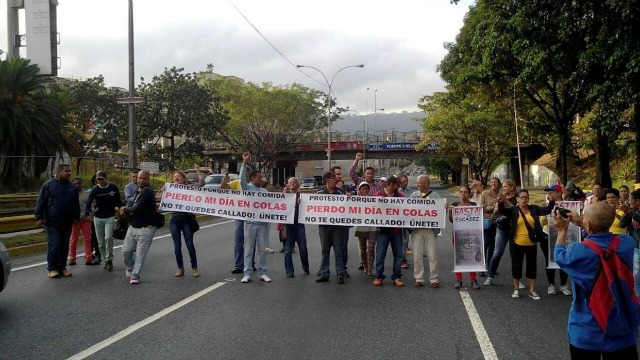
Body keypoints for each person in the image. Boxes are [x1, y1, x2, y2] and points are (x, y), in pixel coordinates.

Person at [553, 201, 638, 359]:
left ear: (588, 224)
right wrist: (583, 223)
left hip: (586, 329)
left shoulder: (577, 251)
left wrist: (561, 231)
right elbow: (606, 239)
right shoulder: (627, 243)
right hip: (622, 327)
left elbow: (559, 255)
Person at [498, 189, 555, 300]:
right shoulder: (513, 210)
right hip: (516, 243)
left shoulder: (534, 209)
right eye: (522, 197)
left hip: (531, 243)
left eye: (526, 197)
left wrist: (552, 201)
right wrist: (500, 202)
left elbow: (547, 210)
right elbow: (502, 211)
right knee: (516, 266)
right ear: (517, 199)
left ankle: (532, 290)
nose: (524, 199)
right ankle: (516, 289)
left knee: (532, 267)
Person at [34, 164, 80, 279]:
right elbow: (41, 202)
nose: (69, 173)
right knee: (55, 244)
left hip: (67, 222)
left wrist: (76, 217)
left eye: (69, 171)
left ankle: (62, 267)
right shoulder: (48, 185)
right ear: (59, 172)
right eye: (66, 171)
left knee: (64, 246)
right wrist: (38, 217)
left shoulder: (72, 187)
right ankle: (52, 268)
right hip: (52, 222)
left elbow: (75, 204)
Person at [239, 152, 272, 283]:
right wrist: (244, 162)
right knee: (248, 250)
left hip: (262, 224)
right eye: (259, 177)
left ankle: (262, 272)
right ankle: (247, 273)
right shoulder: (247, 188)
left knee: (262, 250)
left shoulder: (264, 192)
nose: (261, 179)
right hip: (250, 223)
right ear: (253, 179)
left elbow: (275, 204)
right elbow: (241, 179)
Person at [159, 171, 199, 277]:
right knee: (177, 246)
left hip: (186, 219)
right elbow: (158, 199)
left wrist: (198, 172)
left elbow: (201, 185)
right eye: (174, 176)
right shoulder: (169, 188)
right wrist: (163, 192)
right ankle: (180, 268)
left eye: (178, 176)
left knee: (189, 244)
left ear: (183, 179)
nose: (176, 177)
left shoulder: (188, 188)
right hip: (174, 219)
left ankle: (194, 267)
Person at [121, 170, 157, 285]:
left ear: (148, 179)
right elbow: (132, 204)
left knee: (141, 254)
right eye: (139, 178)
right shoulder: (137, 190)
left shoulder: (147, 191)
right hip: (133, 225)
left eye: (144, 178)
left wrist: (126, 209)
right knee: (126, 251)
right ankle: (130, 266)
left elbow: (138, 207)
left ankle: (135, 275)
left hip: (146, 227)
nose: (141, 180)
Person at [84, 171, 123, 271]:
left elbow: (118, 201)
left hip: (109, 216)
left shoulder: (113, 188)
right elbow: (88, 202)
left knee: (108, 237)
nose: (99, 181)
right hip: (98, 217)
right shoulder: (95, 189)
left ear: (106, 179)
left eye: (101, 179)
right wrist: (86, 212)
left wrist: (123, 208)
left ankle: (109, 259)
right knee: (100, 242)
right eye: (98, 179)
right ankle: (105, 258)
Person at [222, 161, 254, 274]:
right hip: (239, 215)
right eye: (243, 171)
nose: (245, 174)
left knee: (250, 239)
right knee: (238, 239)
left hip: (251, 215)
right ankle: (238, 264)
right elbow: (223, 187)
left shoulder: (253, 184)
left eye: (246, 172)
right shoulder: (236, 183)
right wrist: (225, 175)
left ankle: (250, 263)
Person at [484, 178, 517, 287]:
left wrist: (506, 201)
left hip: (515, 229)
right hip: (501, 227)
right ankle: (490, 276)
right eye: (502, 187)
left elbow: (516, 210)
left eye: (505, 186)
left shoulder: (518, 198)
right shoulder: (501, 197)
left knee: (515, 255)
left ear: (512, 187)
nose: (502, 189)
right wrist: (498, 204)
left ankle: (517, 279)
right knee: (497, 252)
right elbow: (496, 211)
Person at [410, 175, 441, 288]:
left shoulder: (436, 196)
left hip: (430, 230)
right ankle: (419, 278)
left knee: (433, 255)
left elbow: (440, 213)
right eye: (417, 183)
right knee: (417, 255)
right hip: (417, 230)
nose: (417, 185)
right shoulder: (414, 196)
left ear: (426, 184)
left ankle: (434, 279)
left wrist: (444, 207)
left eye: (419, 183)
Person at [373, 175, 405, 287]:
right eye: (397, 184)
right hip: (382, 230)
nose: (398, 186)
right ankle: (378, 276)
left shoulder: (400, 197)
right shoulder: (378, 195)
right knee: (380, 254)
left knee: (398, 255)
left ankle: (397, 276)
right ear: (390, 184)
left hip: (396, 231)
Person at [316, 171, 346, 284]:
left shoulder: (340, 192)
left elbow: (347, 207)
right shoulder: (319, 192)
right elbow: (312, 206)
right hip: (324, 226)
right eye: (333, 178)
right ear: (327, 180)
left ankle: (340, 274)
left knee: (338, 250)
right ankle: (324, 273)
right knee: (325, 251)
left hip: (337, 226)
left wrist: (349, 199)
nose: (336, 180)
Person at [449, 185, 480, 289]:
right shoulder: (455, 205)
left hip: (471, 235)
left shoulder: (474, 205)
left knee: (472, 255)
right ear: (458, 193)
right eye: (461, 192)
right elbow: (451, 220)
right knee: (459, 256)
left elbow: (477, 219)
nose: (463, 194)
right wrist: (450, 210)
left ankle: (473, 279)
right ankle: (459, 279)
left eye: (465, 192)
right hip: (458, 234)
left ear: (469, 193)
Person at [283, 177, 309, 277]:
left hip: (299, 224)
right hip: (288, 225)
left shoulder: (301, 196)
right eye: (291, 183)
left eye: (295, 182)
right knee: (288, 249)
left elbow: (307, 207)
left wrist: (301, 202)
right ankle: (289, 271)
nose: (293, 184)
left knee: (303, 248)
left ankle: (306, 267)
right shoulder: (284, 196)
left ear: (298, 184)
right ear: (288, 185)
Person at [68, 177, 98, 266]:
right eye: (75, 183)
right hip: (75, 220)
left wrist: (90, 217)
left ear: (82, 184)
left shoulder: (86, 194)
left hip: (86, 219)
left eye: (79, 183)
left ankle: (88, 258)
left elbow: (92, 206)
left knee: (88, 239)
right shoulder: (69, 194)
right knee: (73, 239)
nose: (77, 185)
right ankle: (72, 258)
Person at [619, 190, 640, 296]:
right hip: (637, 248)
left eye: (631, 199)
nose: (629, 202)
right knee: (636, 277)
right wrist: (626, 214)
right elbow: (622, 224)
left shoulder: (635, 214)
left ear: (637, 201)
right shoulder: (633, 212)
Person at [479, 177, 501, 277]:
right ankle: (482, 267)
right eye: (491, 182)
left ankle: (490, 267)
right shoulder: (484, 194)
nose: (493, 184)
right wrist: (493, 206)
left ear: (498, 184)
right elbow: (481, 208)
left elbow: (501, 208)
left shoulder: (501, 195)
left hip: (497, 222)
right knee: (485, 244)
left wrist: (489, 207)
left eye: (495, 182)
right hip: (485, 222)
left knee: (493, 245)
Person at [354, 182, 376, 278]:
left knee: (370, 249)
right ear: (359, 190)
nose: (365, 191)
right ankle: (365, 267)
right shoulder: (355, 200)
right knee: (363, 250)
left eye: (366, 189)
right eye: (362, 189)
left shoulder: (374, 200)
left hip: (372, 228)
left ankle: (370, 269)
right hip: (360, 228)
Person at [397, 174, 413, 268]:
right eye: (403, 181)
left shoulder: (411, 192)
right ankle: (400, 258)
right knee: (398, 241)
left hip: (407, 220)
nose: (405, 183)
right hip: (397, 220)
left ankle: (403, 260)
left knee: (404, 241)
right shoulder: (396, 192)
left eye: (406, 181)